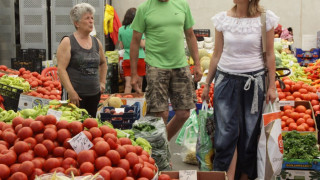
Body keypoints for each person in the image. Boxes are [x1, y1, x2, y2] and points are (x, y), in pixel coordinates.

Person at [201, 0, 279, 179]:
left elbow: (270, 54)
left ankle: (245, 176)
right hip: (225, 81)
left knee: (249, 133)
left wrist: (272, 86)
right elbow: (216, 54)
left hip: (254, 83)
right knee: (226, 133)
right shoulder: (223, 19)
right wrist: (207, 84)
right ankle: (226, 176)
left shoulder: (265, 19)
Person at [130, 0, 202, 141]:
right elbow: (135, 40)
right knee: (160, 114)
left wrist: (197, 64)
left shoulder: (182, 5)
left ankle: (161, 146)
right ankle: (161, 153)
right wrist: (134, 73)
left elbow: (190, 35)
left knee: (184, 113)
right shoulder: (144, 8)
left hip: (180, 64)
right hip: (156, 65)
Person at [57, 3, 107, 117]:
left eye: (92, 18)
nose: (91, 21)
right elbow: (61, 69)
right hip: (75, 97)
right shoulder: (68, 42)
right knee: (74, 127)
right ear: (77, 23)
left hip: (94, 95)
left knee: (90, 127)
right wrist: (71, 91)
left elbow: (103, 63)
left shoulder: (96, 42)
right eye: (87, 18)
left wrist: (102, 83)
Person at [118, 8, 146, 93]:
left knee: (128, 84)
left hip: (127, 58)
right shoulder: (138, 28)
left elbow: (121, 46)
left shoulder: (121, 29)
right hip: (139, 57)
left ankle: (126, 103)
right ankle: (139, 104)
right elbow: (142, 44)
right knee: (139, 85)